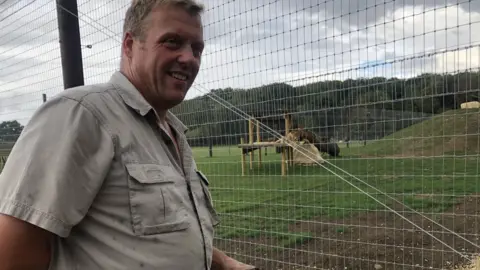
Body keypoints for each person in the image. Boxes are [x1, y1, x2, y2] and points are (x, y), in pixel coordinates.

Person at [0, 0, 257, 269]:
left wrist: (225, 263)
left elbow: (164, 235)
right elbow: (11, 250)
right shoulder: (81, 115)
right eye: (172, 41)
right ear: (129, 45)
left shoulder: (171, 131)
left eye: (197, 48)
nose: (189, 58)